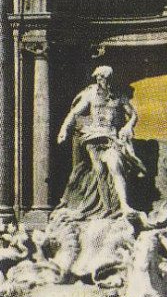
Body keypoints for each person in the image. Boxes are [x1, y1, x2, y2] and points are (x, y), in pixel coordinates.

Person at [55, 65, 146, 218]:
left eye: (102, 77)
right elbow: (74, 112)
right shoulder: (91, 94)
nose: (99, 79)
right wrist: (64, 129)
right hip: (93, 138)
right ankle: (107, 207)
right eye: (97, 77)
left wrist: (128, 126)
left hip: (111, 137)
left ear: (109, 78)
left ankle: (124, 205)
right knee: (100, 172)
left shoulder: (119, 96)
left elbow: (133, 115)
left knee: (115, 164)